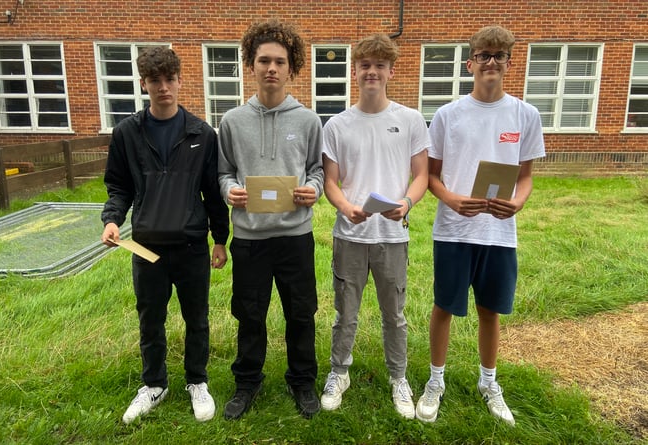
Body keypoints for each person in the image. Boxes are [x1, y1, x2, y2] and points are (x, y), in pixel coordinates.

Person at [416, 25, 545, 426]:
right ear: (470, 62)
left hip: (499, 233)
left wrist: (517, 203)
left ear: (509, 63)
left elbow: (525, 176)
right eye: (484, 55)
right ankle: (435, 381)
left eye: (499, 56)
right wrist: (451, 198)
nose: (491, 62)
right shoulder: (448, 115)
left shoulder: (525, 114)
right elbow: (431, 175)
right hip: (454, 230)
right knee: (444, 307)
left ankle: (488, 382)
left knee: (490, 311)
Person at [100, 46, 229, 424]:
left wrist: (220, 239)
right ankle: (154, 383)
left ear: (179, 80)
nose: (163, 87)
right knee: (150, 318)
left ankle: (197, 381)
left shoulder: (202, 134)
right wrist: (112, 219)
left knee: (197, 318)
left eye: (169, 79)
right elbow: (118, 186)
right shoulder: (127, 133)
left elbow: (212, 189)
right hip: (145, 245)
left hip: (191, 245)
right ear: (144, 83)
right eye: (155, 80)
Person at [217, 19, 324, 420]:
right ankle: (247, 382)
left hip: (296, 235)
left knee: (301, 312)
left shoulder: (309, 121)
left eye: (280, 61)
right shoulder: (232, 121)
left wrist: (314, 189)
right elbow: (223, 171)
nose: (271, 69)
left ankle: (302, 382)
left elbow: (317, 169)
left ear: (292, 67)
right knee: (249, 313)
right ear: (252, 64)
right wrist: (230, 191)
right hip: (249, 237)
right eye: (264, 60)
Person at [320, 33, 430, 419]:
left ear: (390, 72)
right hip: (350, 235)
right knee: (344, 313)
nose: (372, 72)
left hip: (392, 236)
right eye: (365, 65)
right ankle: (339, 372)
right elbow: (330, 181)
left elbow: (422, 174)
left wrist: (407, 202)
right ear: (355, 71)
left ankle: (398, 377)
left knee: (394, 314)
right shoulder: (336, 124)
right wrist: (347, 207)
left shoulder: (410, 119)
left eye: (379, 66)